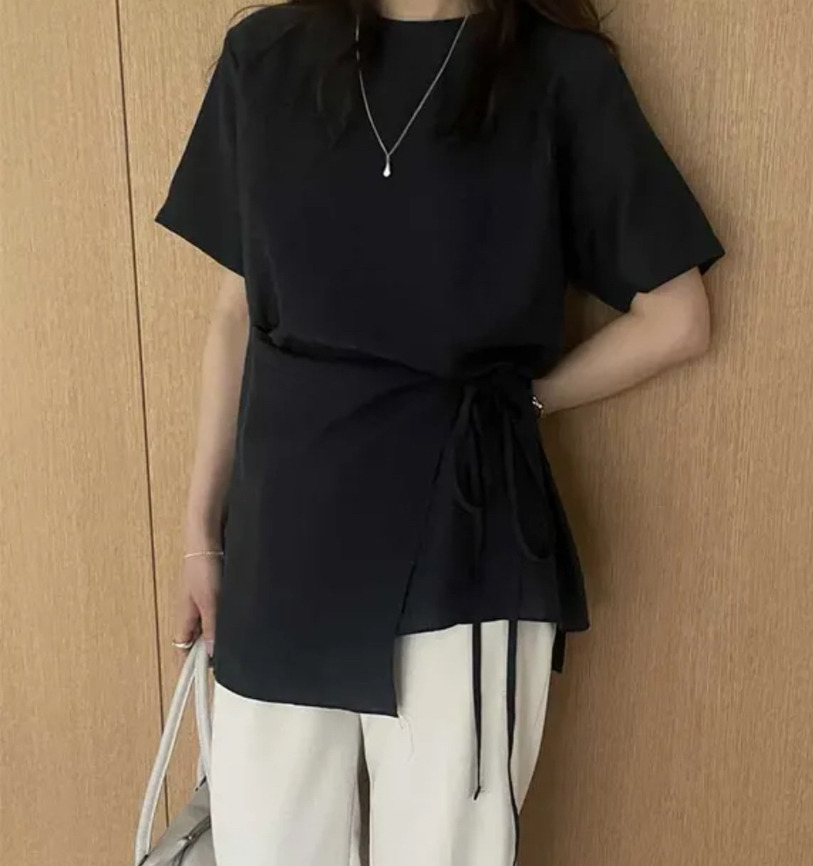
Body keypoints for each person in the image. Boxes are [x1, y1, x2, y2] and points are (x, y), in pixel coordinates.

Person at [154, 0, 725, 863]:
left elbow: (678, 318)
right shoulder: (265, 58)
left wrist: (519, 403)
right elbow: (238, 309)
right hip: (285, 538)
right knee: (266, 846)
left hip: (462, 535)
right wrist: (202, 532)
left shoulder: (558, 74)